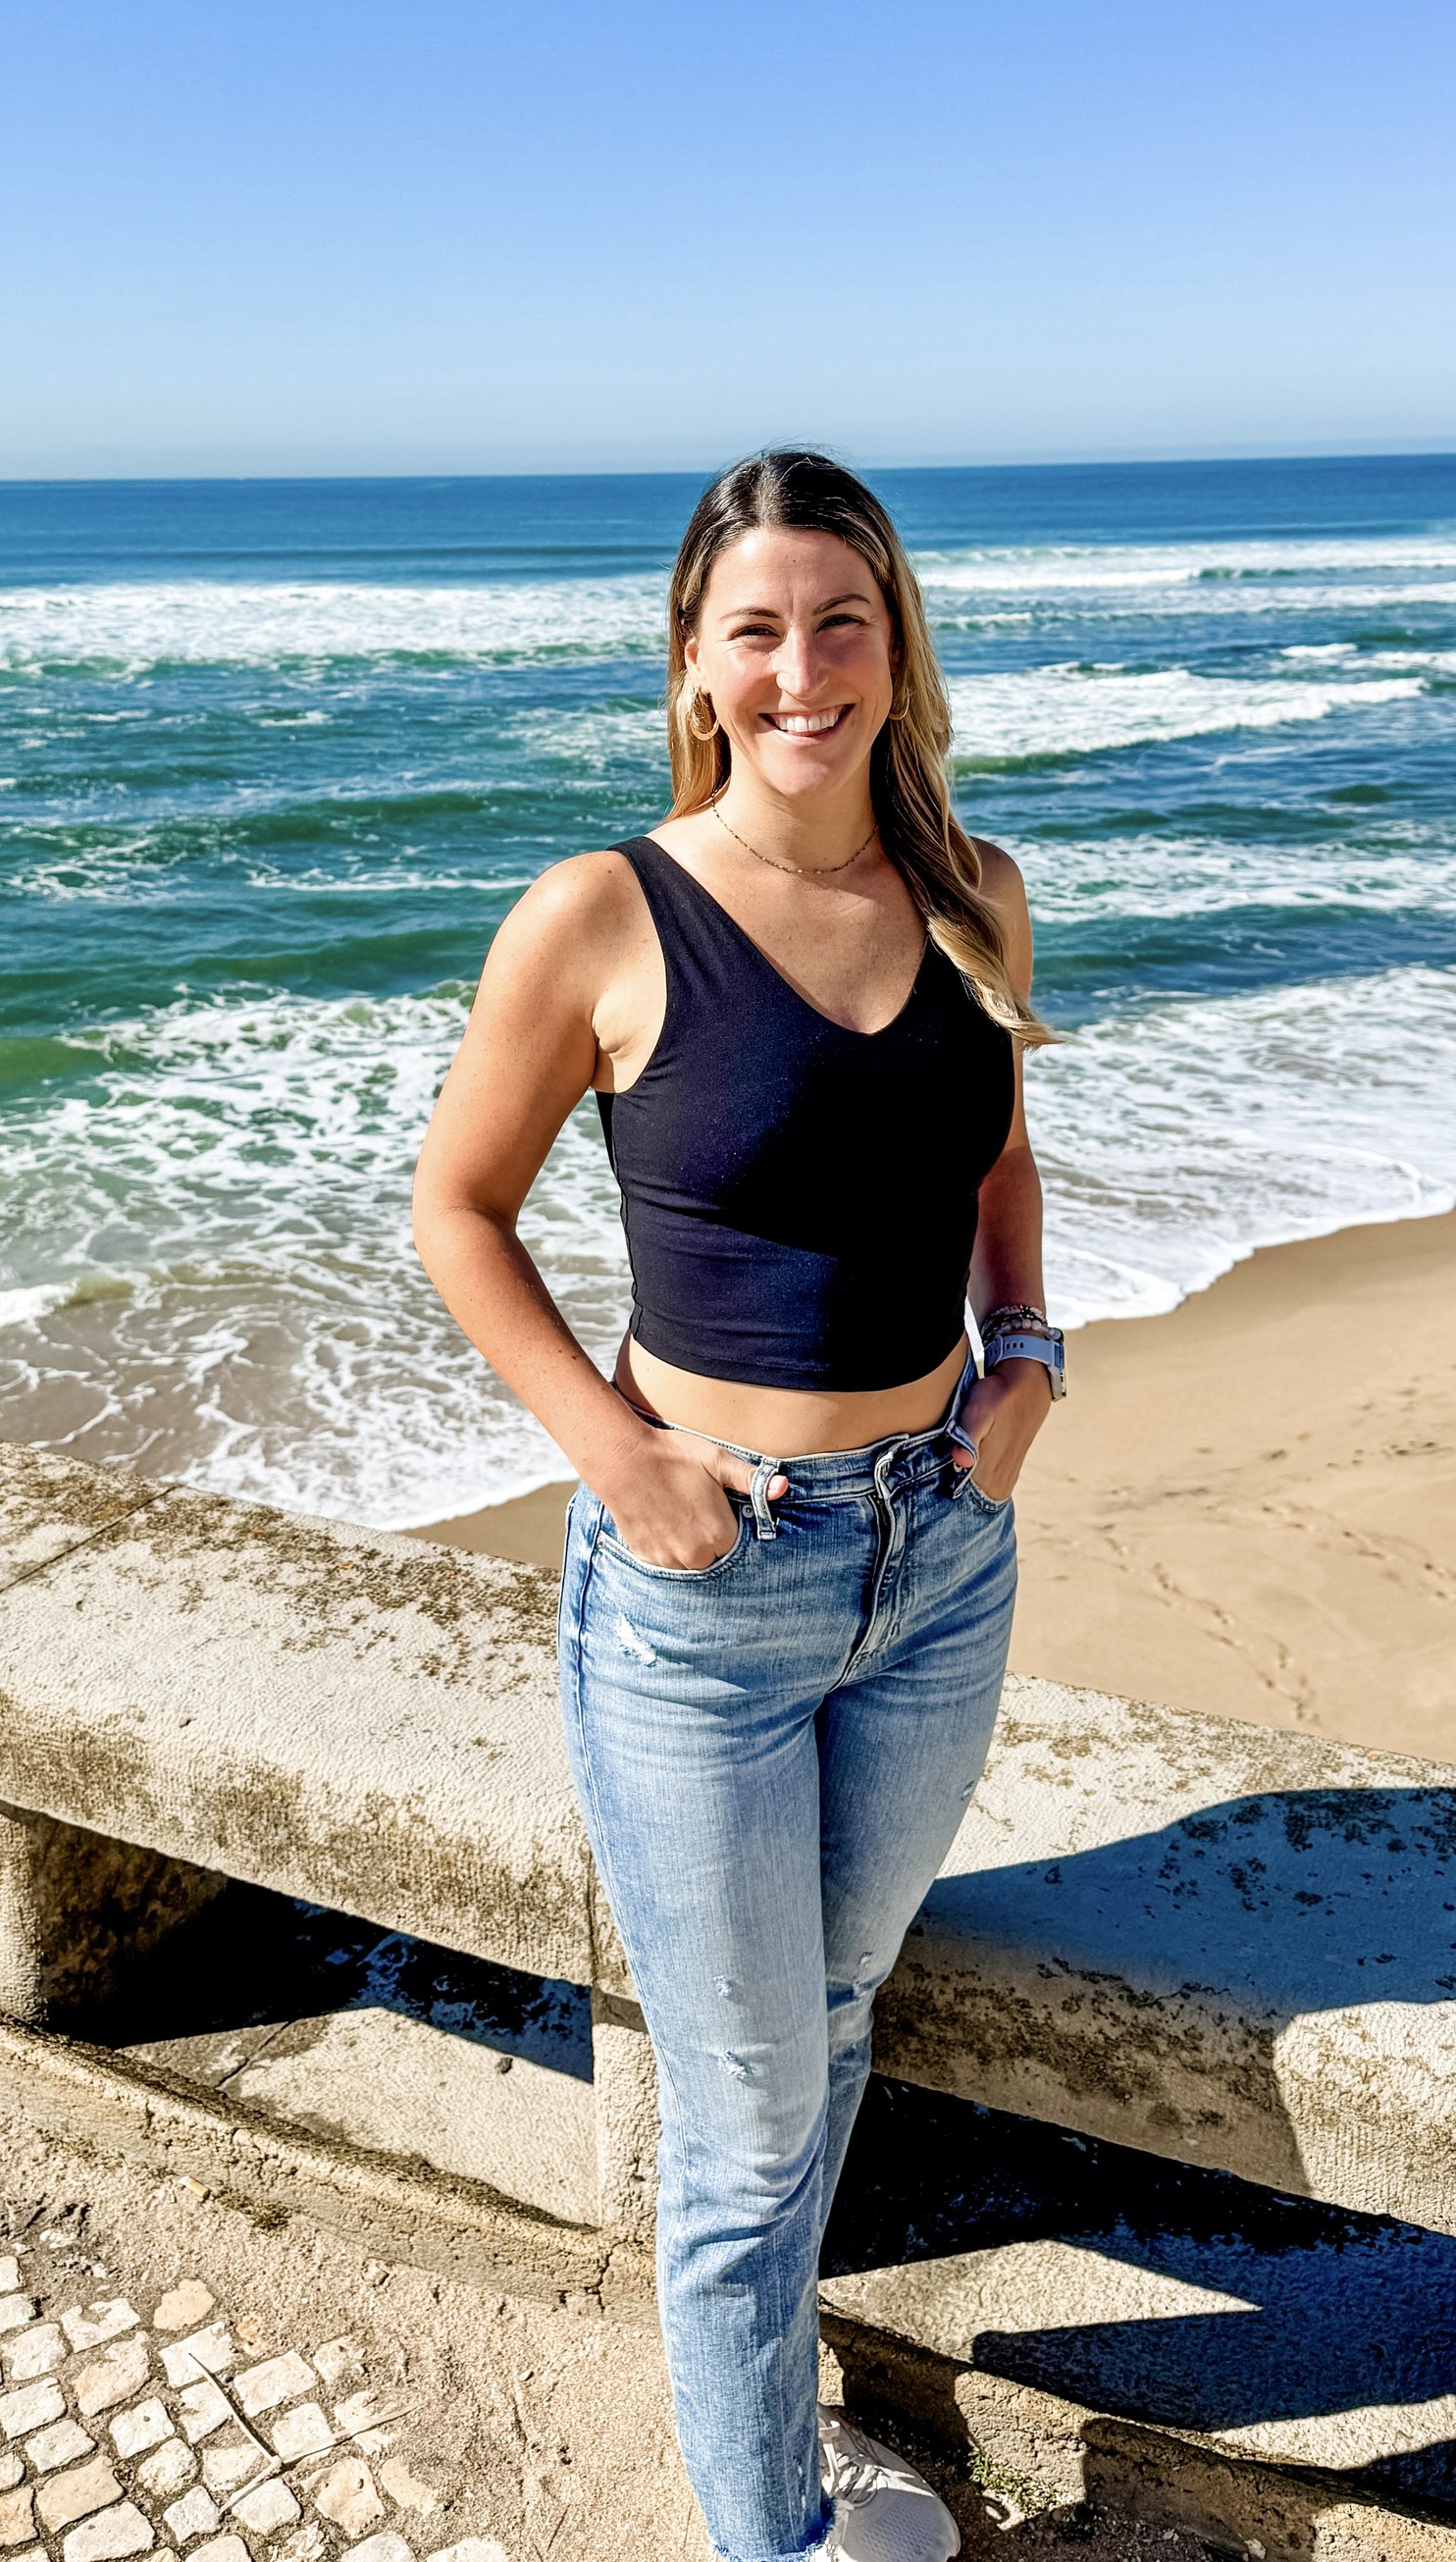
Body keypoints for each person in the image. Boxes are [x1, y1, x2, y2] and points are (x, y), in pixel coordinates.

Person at [414, 448, 1064, 2562]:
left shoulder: (973, 885)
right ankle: (766, 2526)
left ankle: (774, 2393)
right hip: (705, 1583)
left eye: (841, 617)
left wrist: (1030, 1351)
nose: (804, 664)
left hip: (936, 1559)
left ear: (895, 643)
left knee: (837, 2011)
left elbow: (991, 1153)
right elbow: (457, 1210)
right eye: (757, 626)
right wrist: (618, 1462)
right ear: (695, 665)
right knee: (752, 2101)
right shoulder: (601, 910)